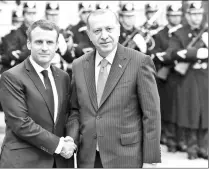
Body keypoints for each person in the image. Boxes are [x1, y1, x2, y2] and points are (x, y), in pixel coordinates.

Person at [67, 9, 161, 168]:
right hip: (89, 157)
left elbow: (151, 114)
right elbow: (75, 110)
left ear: (118, 29)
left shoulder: (139, 62)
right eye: (97, 31)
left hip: (126, 157)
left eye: (109, 29)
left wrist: (150, 159)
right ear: (89, 34)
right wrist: (71, 138)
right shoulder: (79, 65)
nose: (104, 36)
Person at [0, 20, 77, 168]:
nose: (45, 48)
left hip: (59, 162)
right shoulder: (12, 77)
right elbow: (20, 123)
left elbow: (70, 114)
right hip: (24, 161)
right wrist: (59, 145)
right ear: (29, 44)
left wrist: (70, 141)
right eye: (39, 42)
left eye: (50, 42)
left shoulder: (63, 77)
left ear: (57, 46)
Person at [162, 1, 208, 160]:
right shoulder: (179, 33)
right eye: (193, 14)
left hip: (205, 77)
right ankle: (192, 148)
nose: (197, 17)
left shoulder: (206, 31)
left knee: (206, 114)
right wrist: (195, 53)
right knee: (191, 113)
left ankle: (204, 147)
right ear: (187, 15)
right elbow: (171, 54)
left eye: (199, 14)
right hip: (189, 78)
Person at [150, 3, 187, 152]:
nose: (176, 18)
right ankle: (168, 138)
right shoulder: (160, 34)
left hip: (183, 76)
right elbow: (155, 54)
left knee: (182, 109)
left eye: (178, 15)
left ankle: (181, 139)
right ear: (167, 17)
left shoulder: (185, 32)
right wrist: (170, 57)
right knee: (167, 108)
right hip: (165, 76)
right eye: (173, 15)